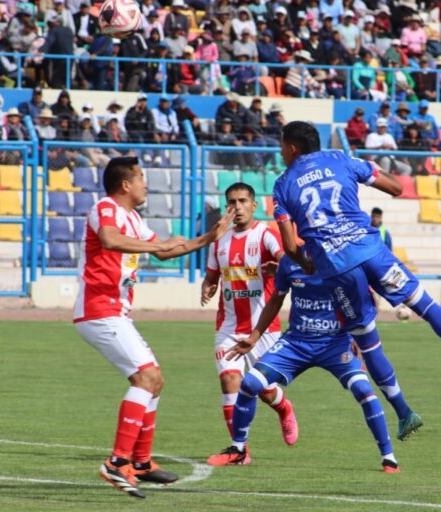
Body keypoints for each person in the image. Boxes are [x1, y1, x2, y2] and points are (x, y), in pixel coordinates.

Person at [272, 122, 441, 442]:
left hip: (338, 268)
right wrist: (367, 170)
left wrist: (306, 262)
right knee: (424, 304)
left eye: (281, 146)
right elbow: (396, 188)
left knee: (367, 342)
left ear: (292, 148)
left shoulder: (283, 184)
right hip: (373, 252)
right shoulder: (342, 159)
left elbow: (289, 246)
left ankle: (403, 412)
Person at [74, 156, 233, 499]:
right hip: (99, 311)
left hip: (114, 312)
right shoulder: (106, 208)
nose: (147, 184)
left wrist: (208, 237)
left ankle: (142, 463)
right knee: (146, 378)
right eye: (142, 178)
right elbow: (110, 239)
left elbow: (165, 251)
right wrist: (158, 244)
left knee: (154, 381)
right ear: (126, 184)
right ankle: (117, 463)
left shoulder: (132, 217)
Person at [207, 253, 400, 473]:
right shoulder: (289, 263)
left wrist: (360, 335)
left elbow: (368, 302)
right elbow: (275, 300)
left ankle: (389, 457)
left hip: (335, 343)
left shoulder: (345, 260)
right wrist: (253, 338)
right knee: (250, 383)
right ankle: (238, 448)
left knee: (364, 390)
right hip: (296, 342)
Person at [200, 183, 299, 446]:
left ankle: (284, 408)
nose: (237, 207)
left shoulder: (266, 235)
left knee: (263, 390)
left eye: (243, 201)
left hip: (264, 328)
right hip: (228, 327)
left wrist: (278, 267)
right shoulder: (219, 240)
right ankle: (239, 449)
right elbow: (211, 277)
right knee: (230, 380)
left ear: (254, 205)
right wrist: (207, 287)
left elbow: (288, 261)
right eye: (231, 203)